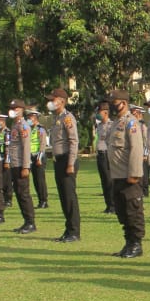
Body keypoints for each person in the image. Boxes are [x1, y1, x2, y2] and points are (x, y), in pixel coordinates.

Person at [104, 89, 146, 257]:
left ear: (124, 103)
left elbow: (136, 149)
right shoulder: (117, 122)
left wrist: (134, 173)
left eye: (115, 103)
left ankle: (136, 244)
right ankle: (128, 243)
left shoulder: (131, 123)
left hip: (129, 176)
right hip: (117, 174)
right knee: (122, 211)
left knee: (133, 211)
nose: (112, 106)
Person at [47, 88, 81, 243]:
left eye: (53, 99)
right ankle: (68, 230)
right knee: (63, 197)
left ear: (61, 100)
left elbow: (73, 141)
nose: (50, 102)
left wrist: (71, 163)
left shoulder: (68, 118)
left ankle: (74, 232)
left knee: (69, 197)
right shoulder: (56, 118)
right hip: (58, 160)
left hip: (67, 160)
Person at [5, 99, 36, 234]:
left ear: (21, 110)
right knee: (18, 193)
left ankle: (30, 222)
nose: (12, 110)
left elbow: (26, 147)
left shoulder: (23, 126)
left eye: (15, 108)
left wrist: (25, 167)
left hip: (21, 164)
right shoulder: (15, 124)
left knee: (24, 194)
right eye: (11, 108)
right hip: (15, 163)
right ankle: (26, 221)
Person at [26, 107, 50, 208]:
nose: (28, 118)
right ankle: (40, 201)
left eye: (30, 116)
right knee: (35, 180)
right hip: (31, 156)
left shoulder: (40, 129)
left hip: (38, 157)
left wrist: (39, 158)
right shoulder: (30, 129)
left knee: (40, 180)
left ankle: (44, 201)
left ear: (35, 117)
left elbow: (42, 144)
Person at [93, 101, 115, 214]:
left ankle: (113, 205)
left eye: (99, 111)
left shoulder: (112, 125)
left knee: (110, 181)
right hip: (100, 155)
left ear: (106, 112)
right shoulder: (99, 125)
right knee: (104, 181)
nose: (97, 114)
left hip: (107, 155)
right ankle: (108, 205)